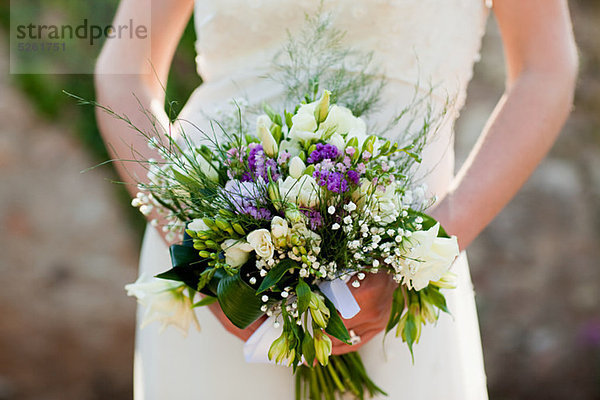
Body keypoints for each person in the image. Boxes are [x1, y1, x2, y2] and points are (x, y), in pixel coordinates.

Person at [95, 0, 578, 398]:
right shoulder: (202, 260)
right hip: (212, 265)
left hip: (403, 270)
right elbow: (122, 72)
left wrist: (430, 243)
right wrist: (196, 253)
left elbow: (546, 67)